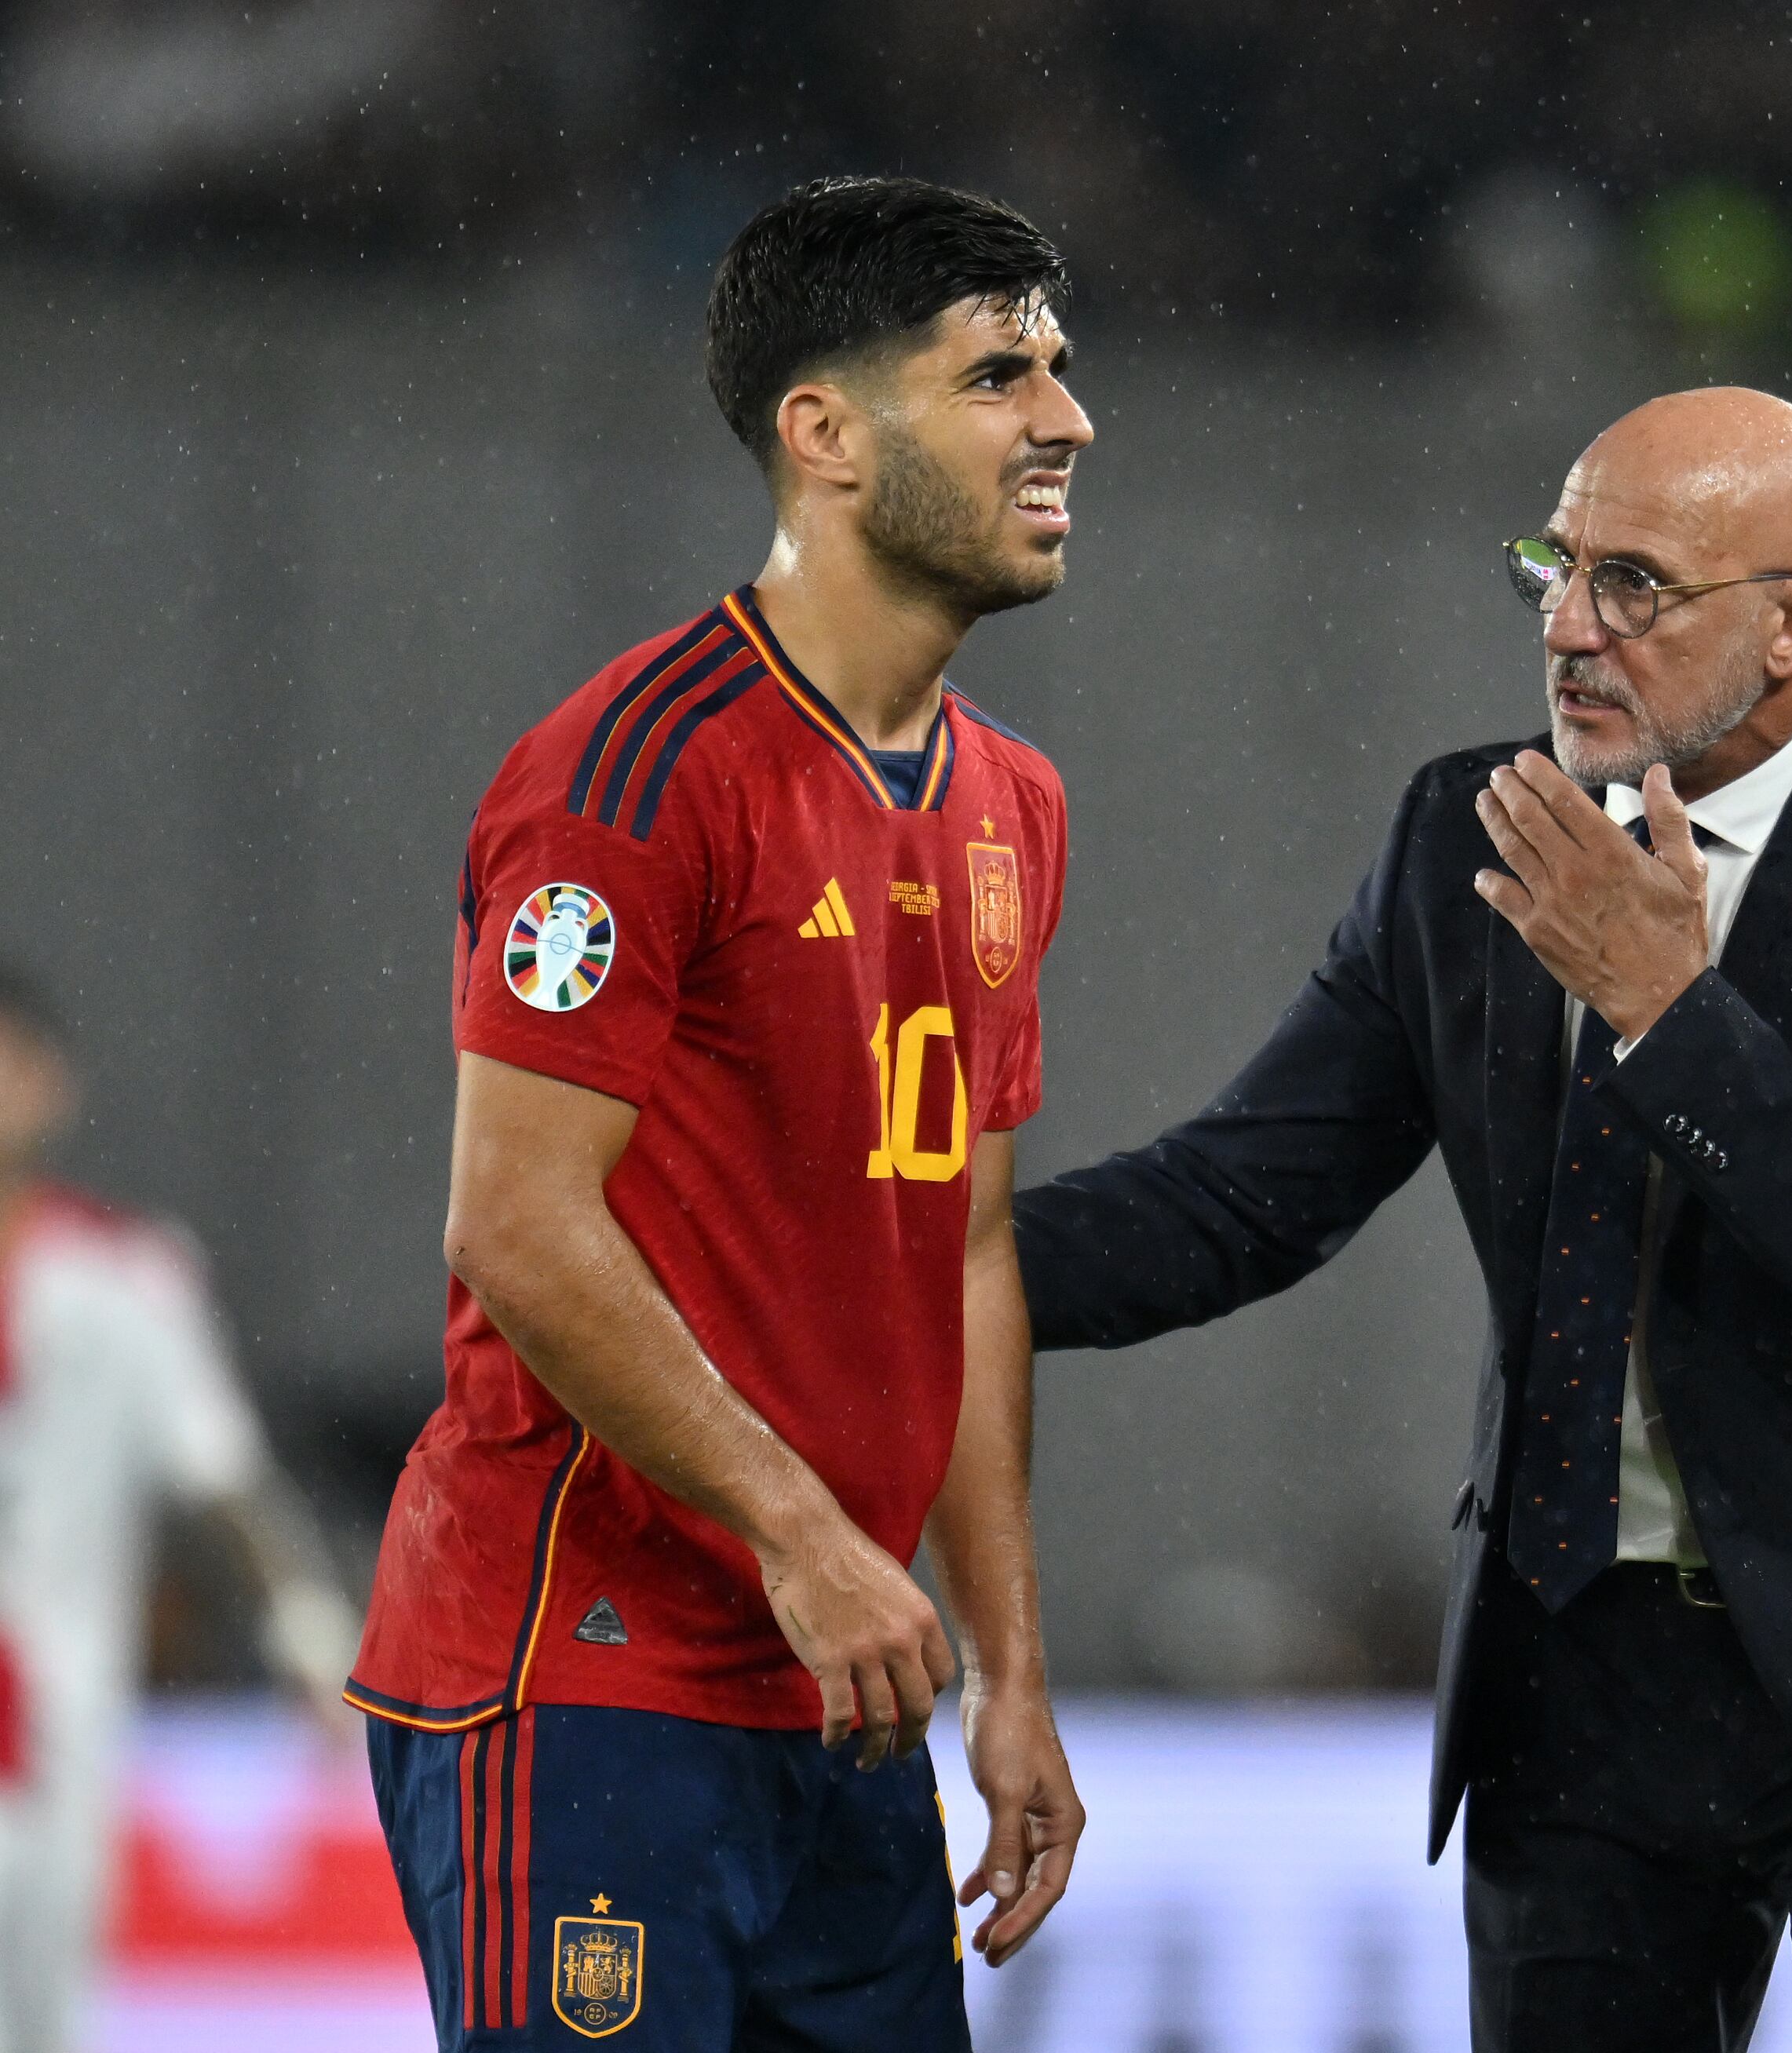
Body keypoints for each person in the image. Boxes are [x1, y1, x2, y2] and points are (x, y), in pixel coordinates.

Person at [1013, 387, 1792, 2052]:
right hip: (1585, 1689)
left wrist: (1669, 1011)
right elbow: (1244, 1197)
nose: (1566, 625)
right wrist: (913, 1267)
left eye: (1634, 585)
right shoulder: (1466, 839)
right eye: (1556, 565)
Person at [349, 176, 1089, 2051]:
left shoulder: (1018, 803)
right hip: (582, 1663)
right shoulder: (628, 773)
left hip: (840, 1682)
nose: (1068, 419)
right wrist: (801, 1529)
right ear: (824, 433)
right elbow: (514, 1225)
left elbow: (970, 1245)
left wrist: (1007, 1662)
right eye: (1000, 374)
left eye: (1060, 369)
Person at [0, 964, 360, 2053]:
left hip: (53, 1736)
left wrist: (307, 1633)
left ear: (53, 1084)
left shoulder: (125, 1278)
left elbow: (223, 1483)